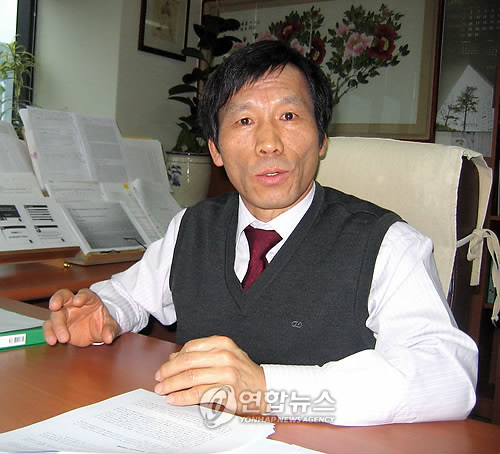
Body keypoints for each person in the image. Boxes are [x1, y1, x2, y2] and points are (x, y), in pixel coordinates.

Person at [43, 40, 478, 426]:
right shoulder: (192, 228)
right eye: (244, 121)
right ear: (215, 149)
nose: (269, 143)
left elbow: (449, 376)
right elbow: (131, 295)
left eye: (289, 115)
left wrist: (267, 391)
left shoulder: (386, 243)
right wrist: (103, 310)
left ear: (321, 139)